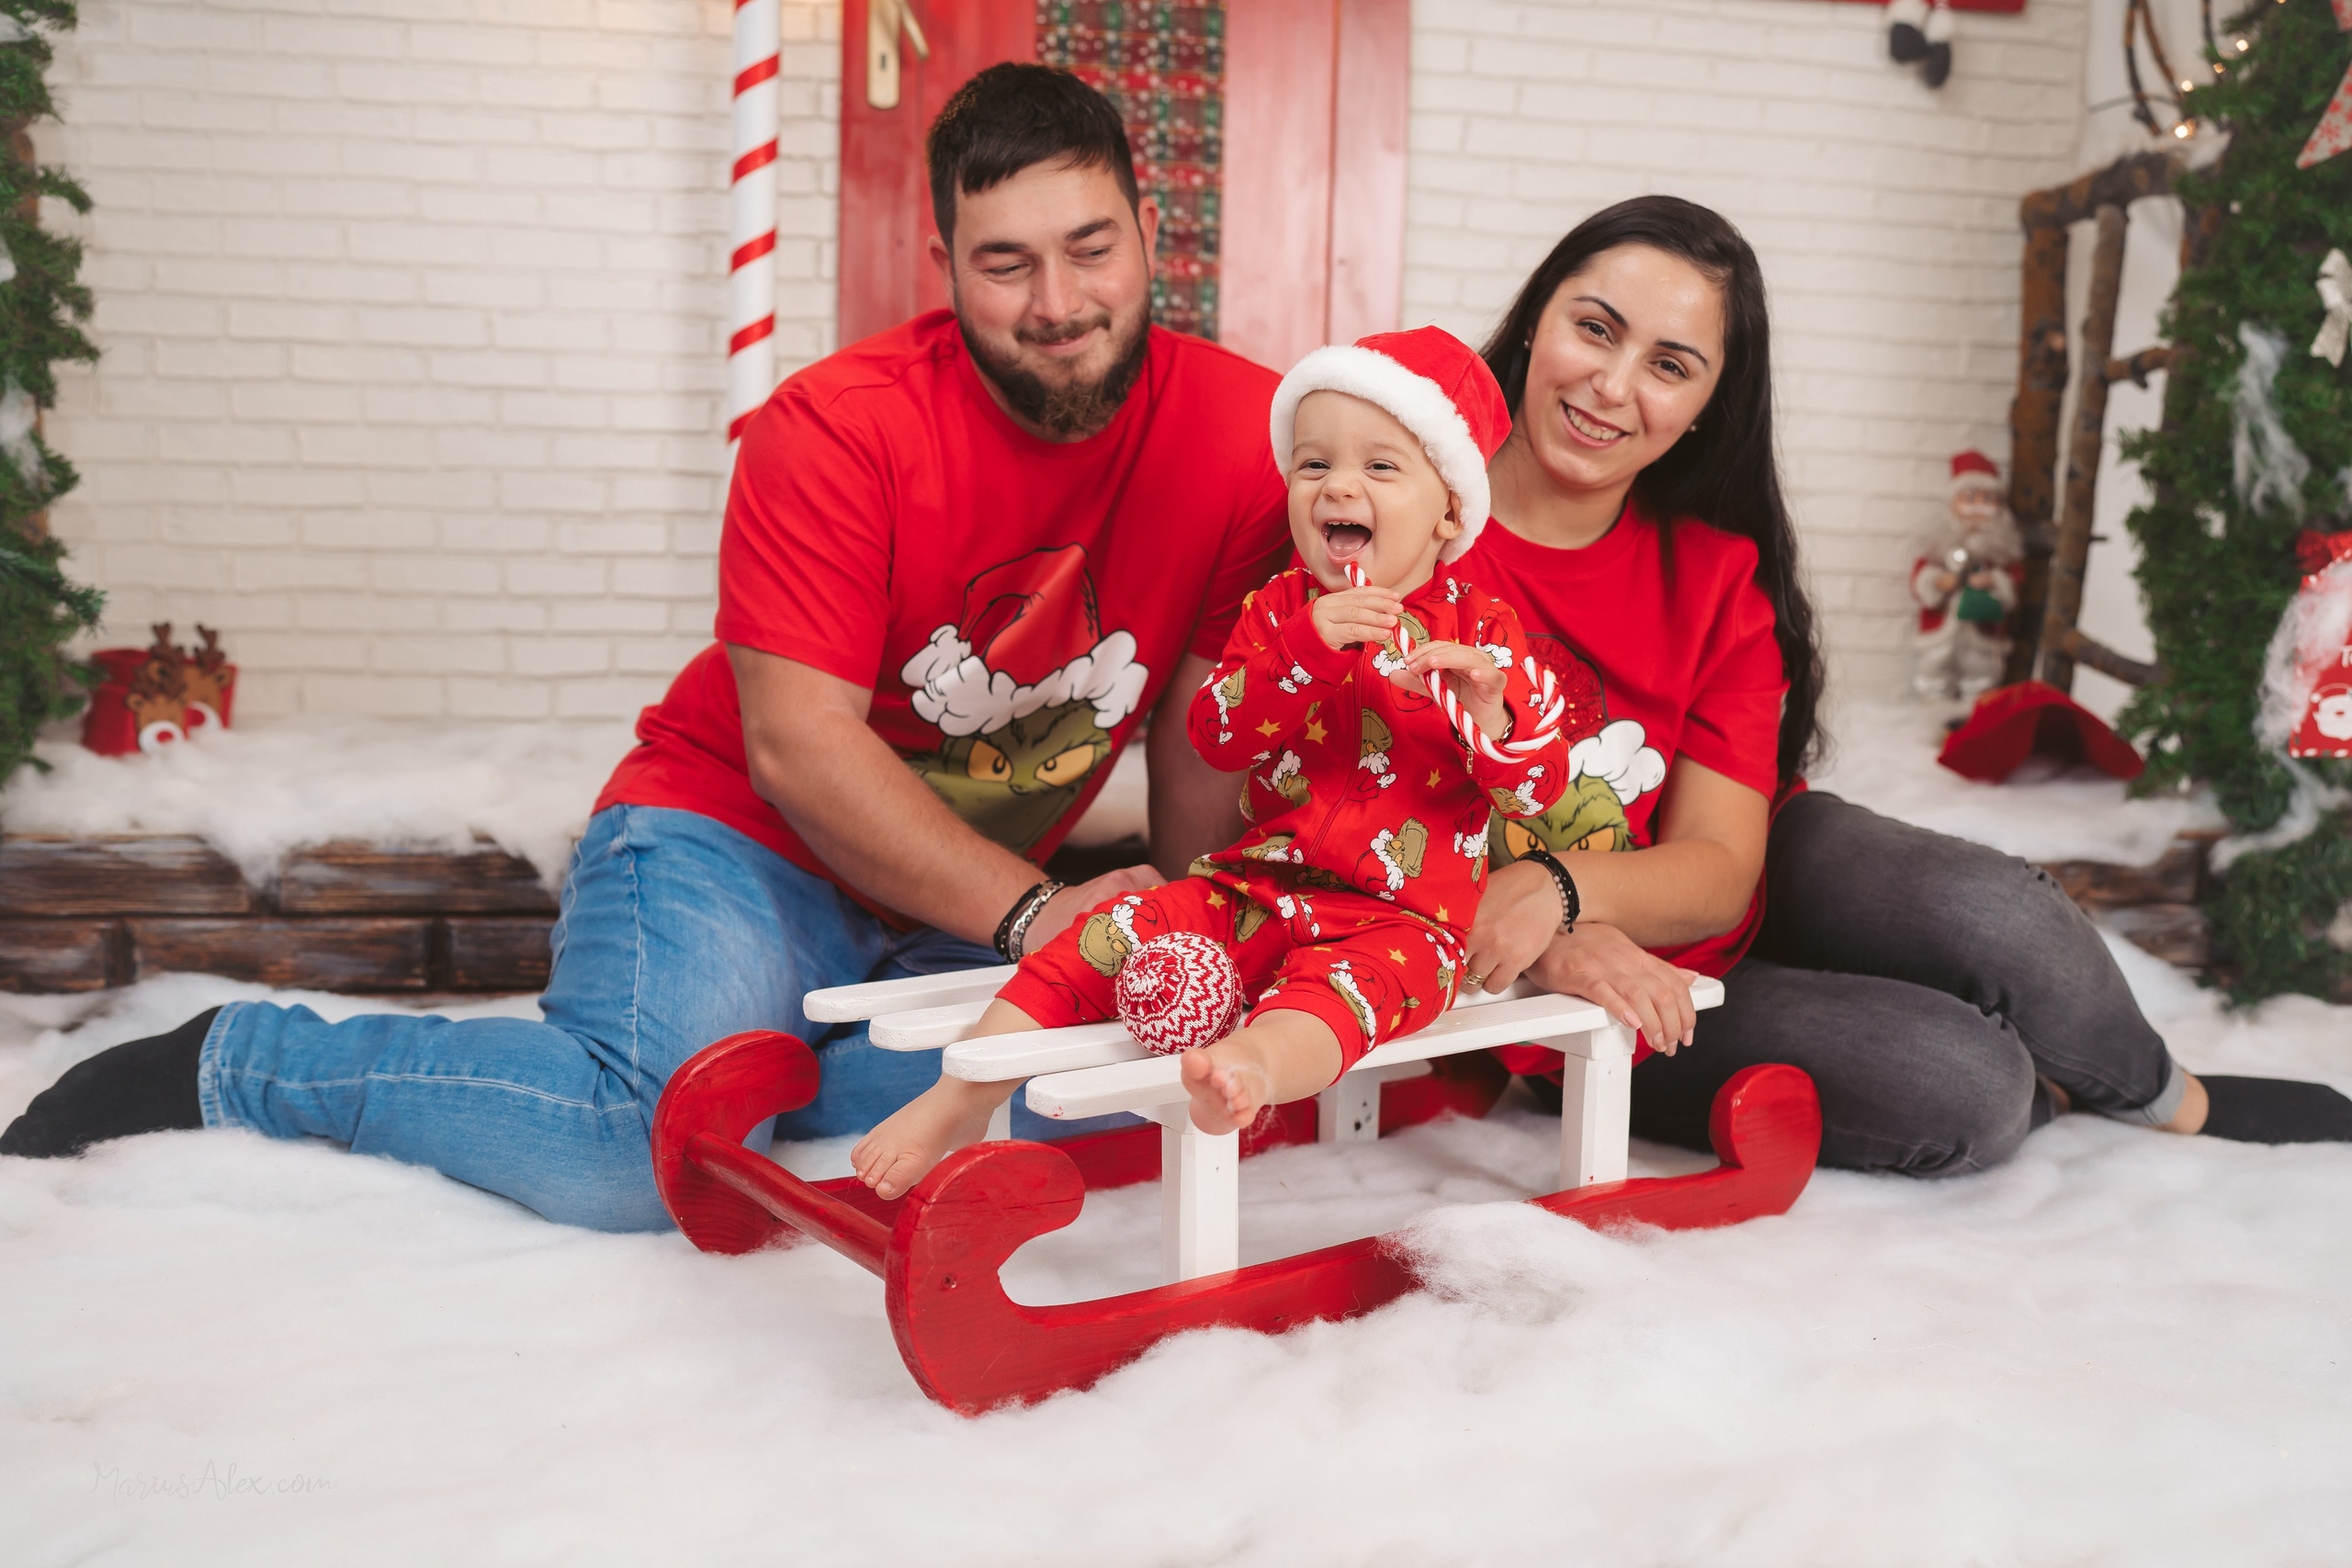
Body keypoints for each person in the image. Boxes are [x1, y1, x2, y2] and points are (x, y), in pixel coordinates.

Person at [0, 64, 1298, 1226]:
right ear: (945, 261)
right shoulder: (839, 429)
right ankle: (235, 1057)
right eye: (1006, 262)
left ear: (1148, 229)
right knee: (639, 1151)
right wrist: (1031, 916)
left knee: (1117, 1078)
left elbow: (1200, 735)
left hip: (948, 902)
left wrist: (1207, 928)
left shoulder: (1241, 431)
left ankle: (748, 1059)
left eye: (1091, 248)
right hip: (737, 837)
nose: (1059, 302)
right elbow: (796, 747)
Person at [1453, 194, 2352, 1173]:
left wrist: (1558, 888)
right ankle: (2005, 1074)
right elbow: (1331, 821)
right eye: (1594, 329)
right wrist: (1542, 933)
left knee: (2000, 912)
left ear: (1708, 405)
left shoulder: (1714, 574)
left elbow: (1716, 869)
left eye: (1669, 365)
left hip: (1711, 869)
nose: (1611, 387)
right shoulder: (1402, 522)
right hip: (1565, 982)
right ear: (1537, 315)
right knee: (1966, 1086)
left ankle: (2166, 1096)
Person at [850, 326, 1580, 1199]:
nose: (1339, 485)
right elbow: (1215, 735)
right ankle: (964, 1090)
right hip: (1257, 883)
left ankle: (1252, 1070)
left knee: (1337, 999)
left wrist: (1492, 711)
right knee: (1111, 930)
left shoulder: (1483, 633)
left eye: (1381, 468)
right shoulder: (1277, 610)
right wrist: (1301, 653)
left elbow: (1539, 790)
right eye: (1314, 467)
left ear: (1450, 510)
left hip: (1403, 921)